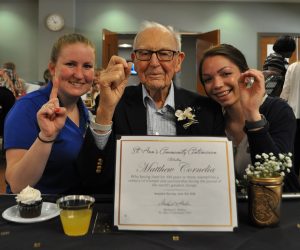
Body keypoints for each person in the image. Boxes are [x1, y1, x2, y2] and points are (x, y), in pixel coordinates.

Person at [77, 21, 225, 193]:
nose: (154, 63)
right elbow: (91, 178)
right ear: (134, 60)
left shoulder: (207, 110)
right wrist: (105, 111)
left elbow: (216, 181)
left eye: (164, 53)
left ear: (178, 61)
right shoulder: (114, 103)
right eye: (145, 53)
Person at [4, 33, 97, 194]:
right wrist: (46, 138)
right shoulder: (27, 108)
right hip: (39, 213)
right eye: (70, 64)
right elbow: (17, 185)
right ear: (53, 68)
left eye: (87, 66)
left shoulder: (82, 110)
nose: (80, 74)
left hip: (74, 211)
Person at [199, 44, 300, 192]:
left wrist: (253, 115)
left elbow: (280, 176)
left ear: (245, 74)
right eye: (208, 79)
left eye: (226, 74)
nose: (217, 85)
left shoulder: (278, 111)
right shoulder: (211, 117)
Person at [280, 61, 300, 176]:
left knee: (294, 150)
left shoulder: (293, 67)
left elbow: (285, 93)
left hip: (293, 114)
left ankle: (294, 182)